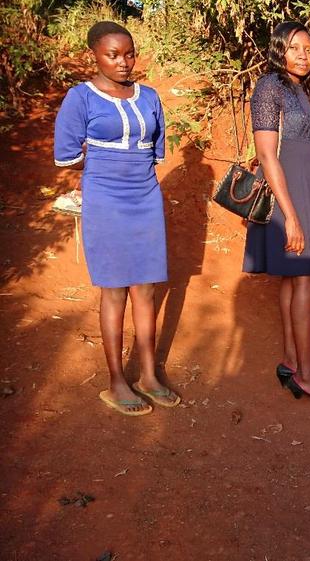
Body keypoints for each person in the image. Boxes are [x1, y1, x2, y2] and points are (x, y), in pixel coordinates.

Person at [53, 21, 179, 416]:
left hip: (145, 197)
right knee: (114, 290)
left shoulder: (150, 97)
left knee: (146, 289)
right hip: (105, 200)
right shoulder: (81, 98)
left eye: (128, 54)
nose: (123, 62)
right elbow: (67, 154)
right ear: (94, 54)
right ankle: (116, 381)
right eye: (112, 55)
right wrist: (104, 171)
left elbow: (156, 151)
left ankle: (148, 376)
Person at [243, 22, 310, 403]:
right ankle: (304, 373)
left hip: (309, 188)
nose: (304, 55)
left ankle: (291, 361)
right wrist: (293, 216)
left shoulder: (299, 90)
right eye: (295, 48)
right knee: (304, 280)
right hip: (289, 194)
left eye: (309, 48)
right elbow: (267, 154)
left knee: (293, 281)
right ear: (279, 50)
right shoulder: (270, 86)